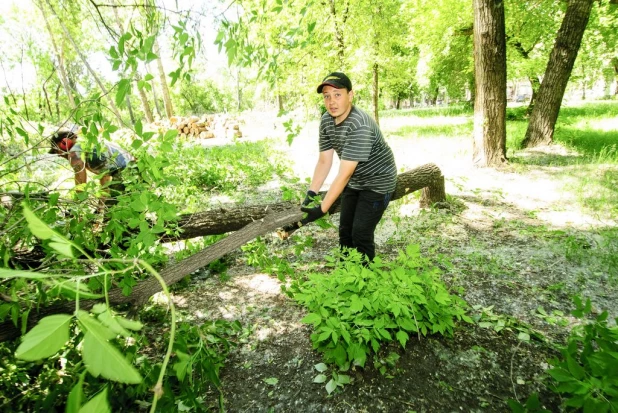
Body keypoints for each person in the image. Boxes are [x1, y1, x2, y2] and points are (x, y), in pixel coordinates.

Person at [300, 72, 397, 263]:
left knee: (360, 234)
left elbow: (344, 174)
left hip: (378, 182)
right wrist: (312, 192)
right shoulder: (327, 120)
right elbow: (324, 161)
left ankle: (364, 281)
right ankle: (346, 276)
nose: (331, 101)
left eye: (337, 94)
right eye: (327, 96)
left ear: (350, 95)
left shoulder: (359, 124)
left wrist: (321, 209)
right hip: (355, 181)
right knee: (345, 232)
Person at [49, 129, 135, 202]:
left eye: (57, 150)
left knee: (116, 212)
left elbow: (81, 181)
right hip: (134, 168)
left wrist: (76, 203)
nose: (58, 155)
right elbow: (105, 179)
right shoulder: (87, 144)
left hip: (125, 172)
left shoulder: (74, 153)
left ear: (64, 143)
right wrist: (100, 207)